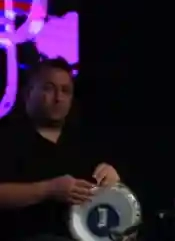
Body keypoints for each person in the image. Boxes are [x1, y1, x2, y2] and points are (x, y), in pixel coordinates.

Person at [0, 58, 122, 241]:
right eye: (48, 89)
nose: (58, 98)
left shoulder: (84, 141)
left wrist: (113, 182)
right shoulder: (7, 135)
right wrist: (48, 190)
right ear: (28, 93)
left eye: (65, 91)